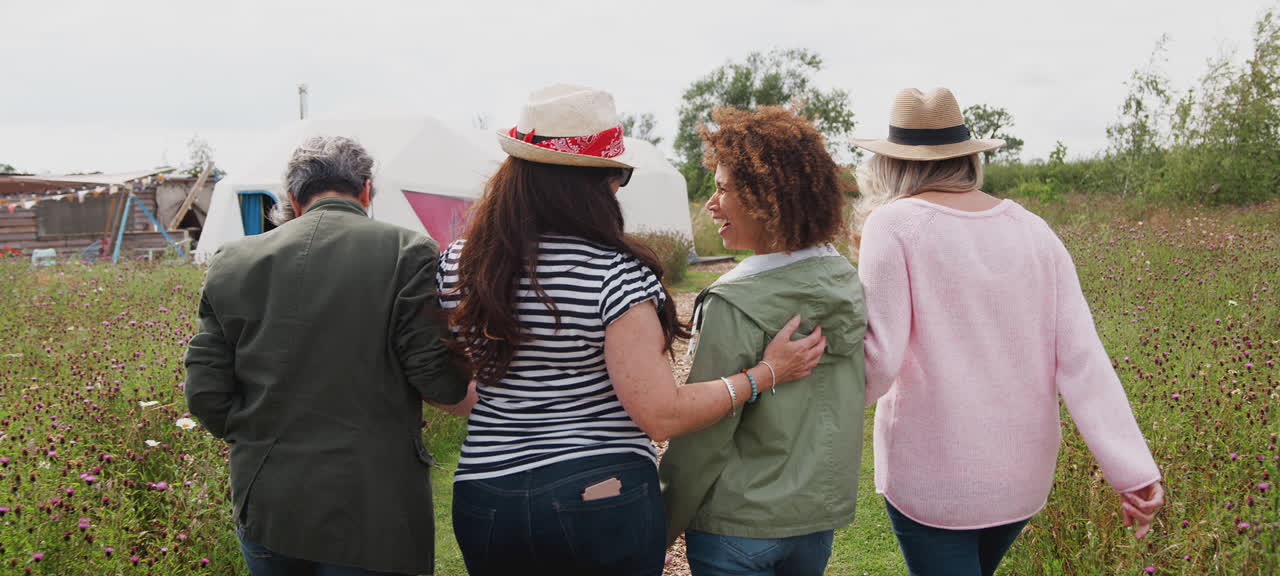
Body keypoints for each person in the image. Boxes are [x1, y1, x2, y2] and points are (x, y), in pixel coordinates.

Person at [436, 84, 827, 576]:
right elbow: (661, 415)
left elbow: (448, 383)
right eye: (617, 176)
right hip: (598, 493)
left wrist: (521, 406)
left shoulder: (458, 264)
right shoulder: (613, 273)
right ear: (594, 181)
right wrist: (764, 374)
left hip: (485, 493)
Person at [852, 88, 1165, 576]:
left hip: (935, 478)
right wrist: (1132, 470)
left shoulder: (892, 225)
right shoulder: (1034, 229)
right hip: (1020, 478)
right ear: (969, 157)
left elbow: (878, 362)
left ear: (892, 163)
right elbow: (1083, 358)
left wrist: (801, 392)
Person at [184, 136, 470, 576]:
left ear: (293, 199)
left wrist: (259, 439)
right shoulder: (407, 251)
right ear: (366, 191)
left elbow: (204, 393)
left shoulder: (232, 260)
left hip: (269, 501)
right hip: (377, 506)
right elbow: (437, 379)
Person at [659, 106, 866, 576]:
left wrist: (662, 526)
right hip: (813, 520)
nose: (710, 205)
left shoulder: (734, 302)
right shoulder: (845, 282)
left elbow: (702, 437)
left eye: (722, 189)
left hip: (738, 524)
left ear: (766, 198)